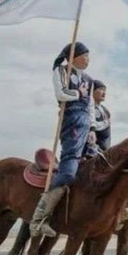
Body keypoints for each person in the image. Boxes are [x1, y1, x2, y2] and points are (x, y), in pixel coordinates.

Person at [30, 42, 96, 237]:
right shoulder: (61, 71)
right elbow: (60, 94)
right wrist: (78, 93)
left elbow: (91, 105)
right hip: (72, 119)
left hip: (85, 121)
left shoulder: (89, 79)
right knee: (68, 171)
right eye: (85, 55)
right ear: (74, 56)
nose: (88, 59)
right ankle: (39, 218)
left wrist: (92, 127)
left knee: (96, 164)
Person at [84, 80, 111, 158]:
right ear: (92, 91)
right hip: (91, 149)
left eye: (105, 90)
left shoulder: (106, 111)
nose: (104, 93)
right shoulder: (87, 108)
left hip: (105, 149)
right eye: (101, 89)